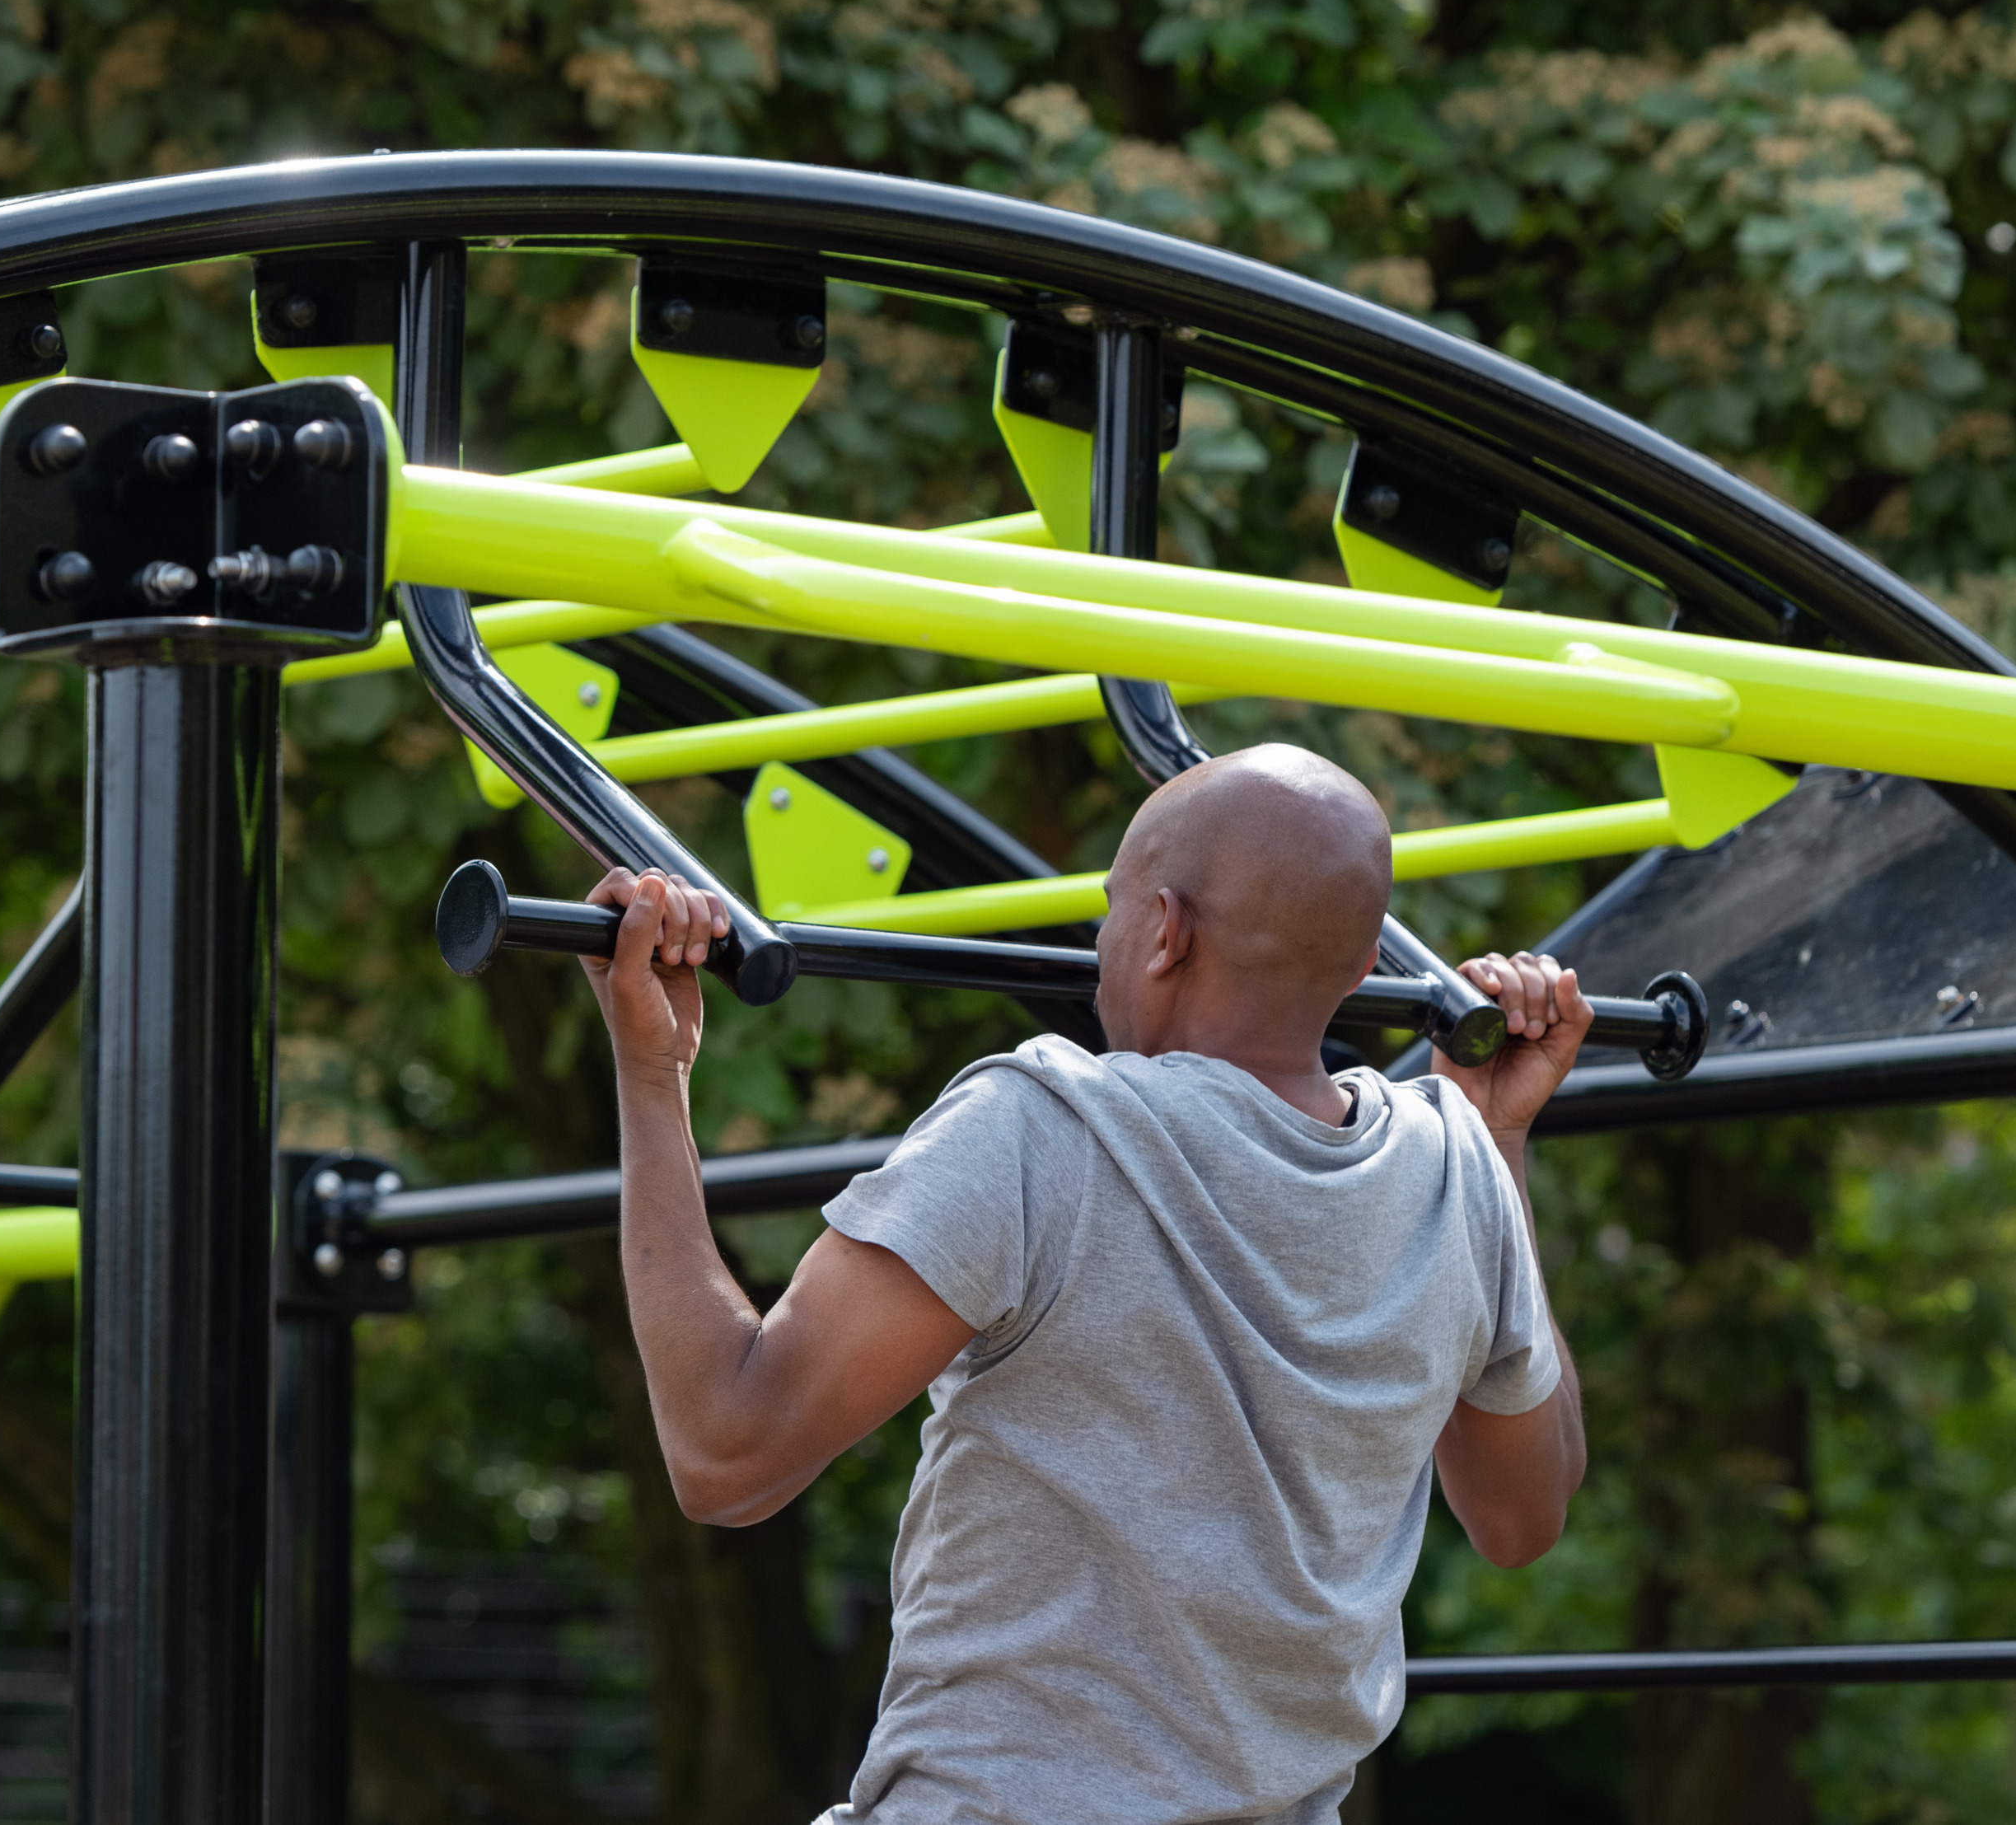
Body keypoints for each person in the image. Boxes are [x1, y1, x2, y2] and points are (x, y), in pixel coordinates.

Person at [578, 742, 1591, 1825]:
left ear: (1165, 931)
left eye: (1110, 909)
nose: (1099, 948)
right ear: (1356, 969)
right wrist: (1499, 1143)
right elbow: (1524, 1519)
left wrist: (652, 1070)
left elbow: (727, 1456)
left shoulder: (1050, 1130)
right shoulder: (1456, 1167)